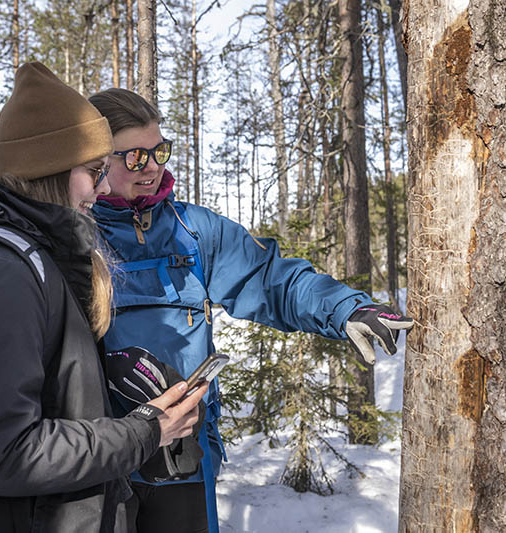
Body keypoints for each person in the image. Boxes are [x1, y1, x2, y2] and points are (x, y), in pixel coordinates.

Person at [89, 88, 414, 533]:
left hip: (184, 455)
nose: (154, 168)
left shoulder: (194, 231)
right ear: (97, 159)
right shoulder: (76, 237)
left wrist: (347, 310)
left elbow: (270, 279)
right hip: (101, 463)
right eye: (136, 158)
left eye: (160, 151)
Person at [0, 63, 208, 533]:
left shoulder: (33, 260)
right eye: (93, 171)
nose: (104, 187)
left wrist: (104, 373)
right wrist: (145, 432)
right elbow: (1, 453)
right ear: (48, 170)